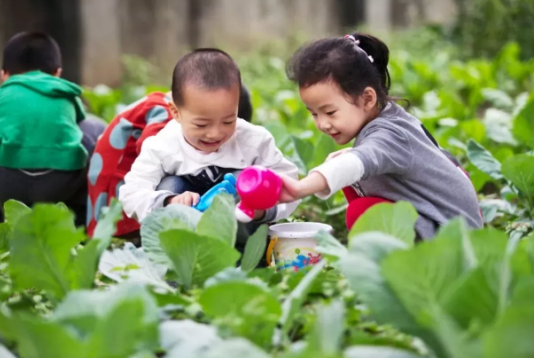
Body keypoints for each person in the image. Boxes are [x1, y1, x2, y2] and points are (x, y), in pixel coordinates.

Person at [278, 33, 483, 240]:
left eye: (330, 112)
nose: (322, 124)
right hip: (445, 223)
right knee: (350, 175)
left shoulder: (390, 133)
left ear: (367, 98)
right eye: (314, 114)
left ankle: (399, 266)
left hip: (455, 239)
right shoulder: (392, 118)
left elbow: (355, 163)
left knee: (363, 211)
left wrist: (300, 188)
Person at [87, 82, 254, 239]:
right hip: (117, 195)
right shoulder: (166, 115)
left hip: (104, 196)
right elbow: (153, 154)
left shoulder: (161, 104)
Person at [0, 32, 106, 225]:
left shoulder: (4, 92)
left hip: (7, 183)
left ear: (4, 75)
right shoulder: (64, 90)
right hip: (60, 182)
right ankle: (84, 219)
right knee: (93, 126)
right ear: (57, 72)